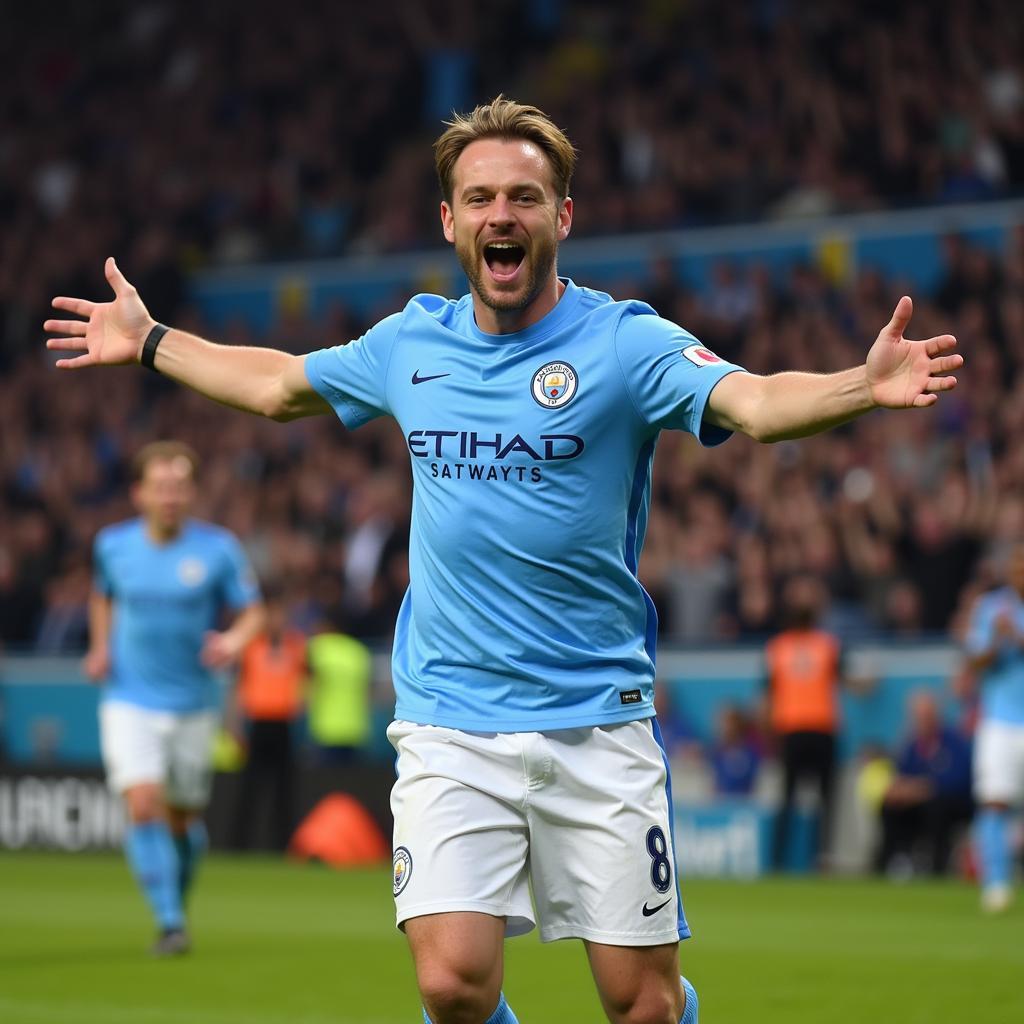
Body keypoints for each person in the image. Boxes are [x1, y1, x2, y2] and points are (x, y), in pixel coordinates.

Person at [47, 97, 961, 1024]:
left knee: (640, 1006)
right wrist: (153, 342)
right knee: (451, 986)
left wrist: (864, 384)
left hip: (595, 720)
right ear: (449, 221)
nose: (501, 214)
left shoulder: (623, 342)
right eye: (479, 197)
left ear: (562, 215)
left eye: (525, 195)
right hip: (449, 721)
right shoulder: (411, 342)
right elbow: (280, 385)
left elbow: (757, 402)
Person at [84, 441, 265, 955]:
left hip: (193, 702)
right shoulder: (112, 546)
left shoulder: (218, 549)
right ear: (138, 493)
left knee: (183, 819)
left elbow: (254, 613)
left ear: (192, 493)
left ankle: (175, 908)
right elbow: (102, 595)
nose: (171, 496)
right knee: (144, 805)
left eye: (180, 486)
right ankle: (169, 922)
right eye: (161, 487)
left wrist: (232, 640)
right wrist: (100, 647)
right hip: (128, 698)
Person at [763, 575, 854, 870]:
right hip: (799, 728)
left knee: (817, 798)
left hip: (814, 727)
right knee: (794, 798)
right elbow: (769, 692)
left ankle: (814, 857)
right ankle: (784, 858)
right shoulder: (787, 646)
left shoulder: (821, 645)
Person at [963, 541, 1024, 913]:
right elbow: (977, 662)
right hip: (999, 721)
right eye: (1016, 566)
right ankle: (996, 882)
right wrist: (998, 640)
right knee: (994, 801)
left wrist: (1015, 636)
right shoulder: (989, 608)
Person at [228, 588, 307, 851]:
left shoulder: (295, 645)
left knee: (285, 791)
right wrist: (236, 725)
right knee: (250, 789)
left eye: (279, 614)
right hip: (259, 723)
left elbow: (306, 681)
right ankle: (238, 846)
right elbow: (239, 687)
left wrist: (302, 704)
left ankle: (284, 846)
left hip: (283, 723)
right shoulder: (252, 648)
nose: (276, 620)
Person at [874, 690, 973, 878]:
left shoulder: (954, 741)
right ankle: (895, 861)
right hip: (919, 804)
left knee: (936, 808)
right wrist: (900, 790)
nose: (922, 720)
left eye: (926, 715)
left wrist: (924, 788)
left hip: (951, 805)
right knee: (889, 806)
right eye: (918, 716)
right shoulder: (911, 745)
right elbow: (901, 774)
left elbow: (958, 780)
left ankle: (937, 868)